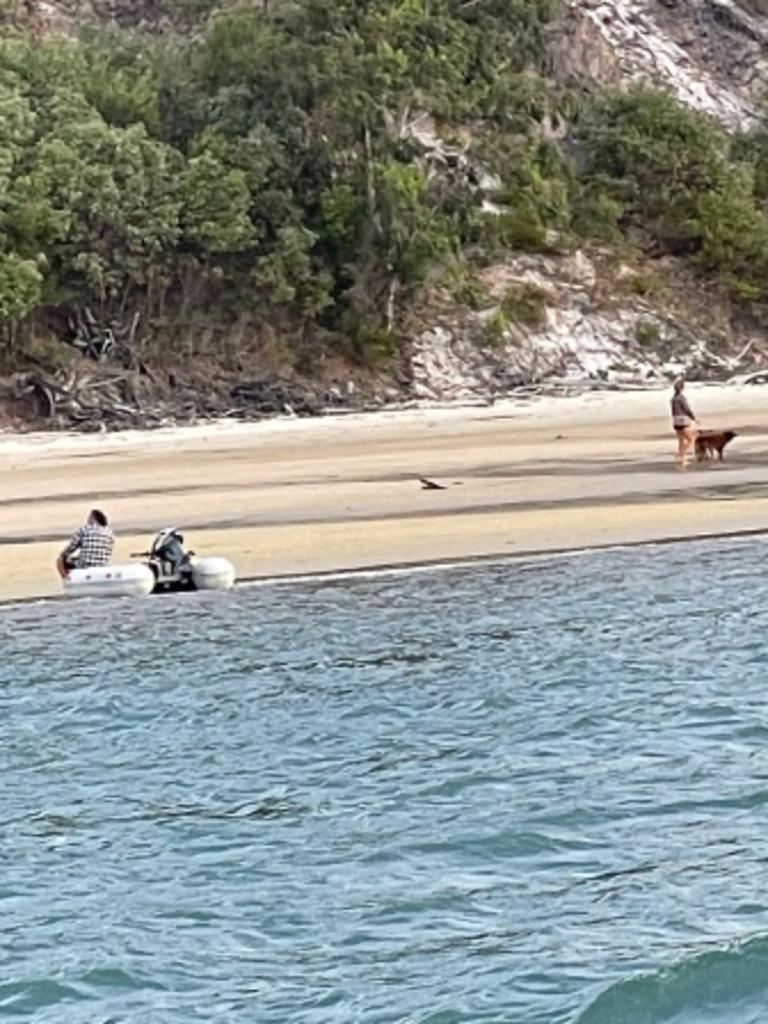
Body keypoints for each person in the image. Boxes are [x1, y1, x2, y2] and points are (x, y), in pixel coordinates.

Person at [56, 509, 115, 579]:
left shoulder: (84, 530)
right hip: (102, 566)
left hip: (84, 566)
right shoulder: (110, 532)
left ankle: (67, 579)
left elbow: (70, 548)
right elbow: (109, 551)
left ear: (92, 518)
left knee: (60, 559)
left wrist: (63, 554)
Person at [670, 379, 697, 467]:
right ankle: (680, 454)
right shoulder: (682, 398)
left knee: (681, 441)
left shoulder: (673, 399)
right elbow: (686, 409)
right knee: (690, 439)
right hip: (683, 420)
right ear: (682, 388)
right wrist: (693, 417)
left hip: (675, 421)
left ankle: (682, 460)